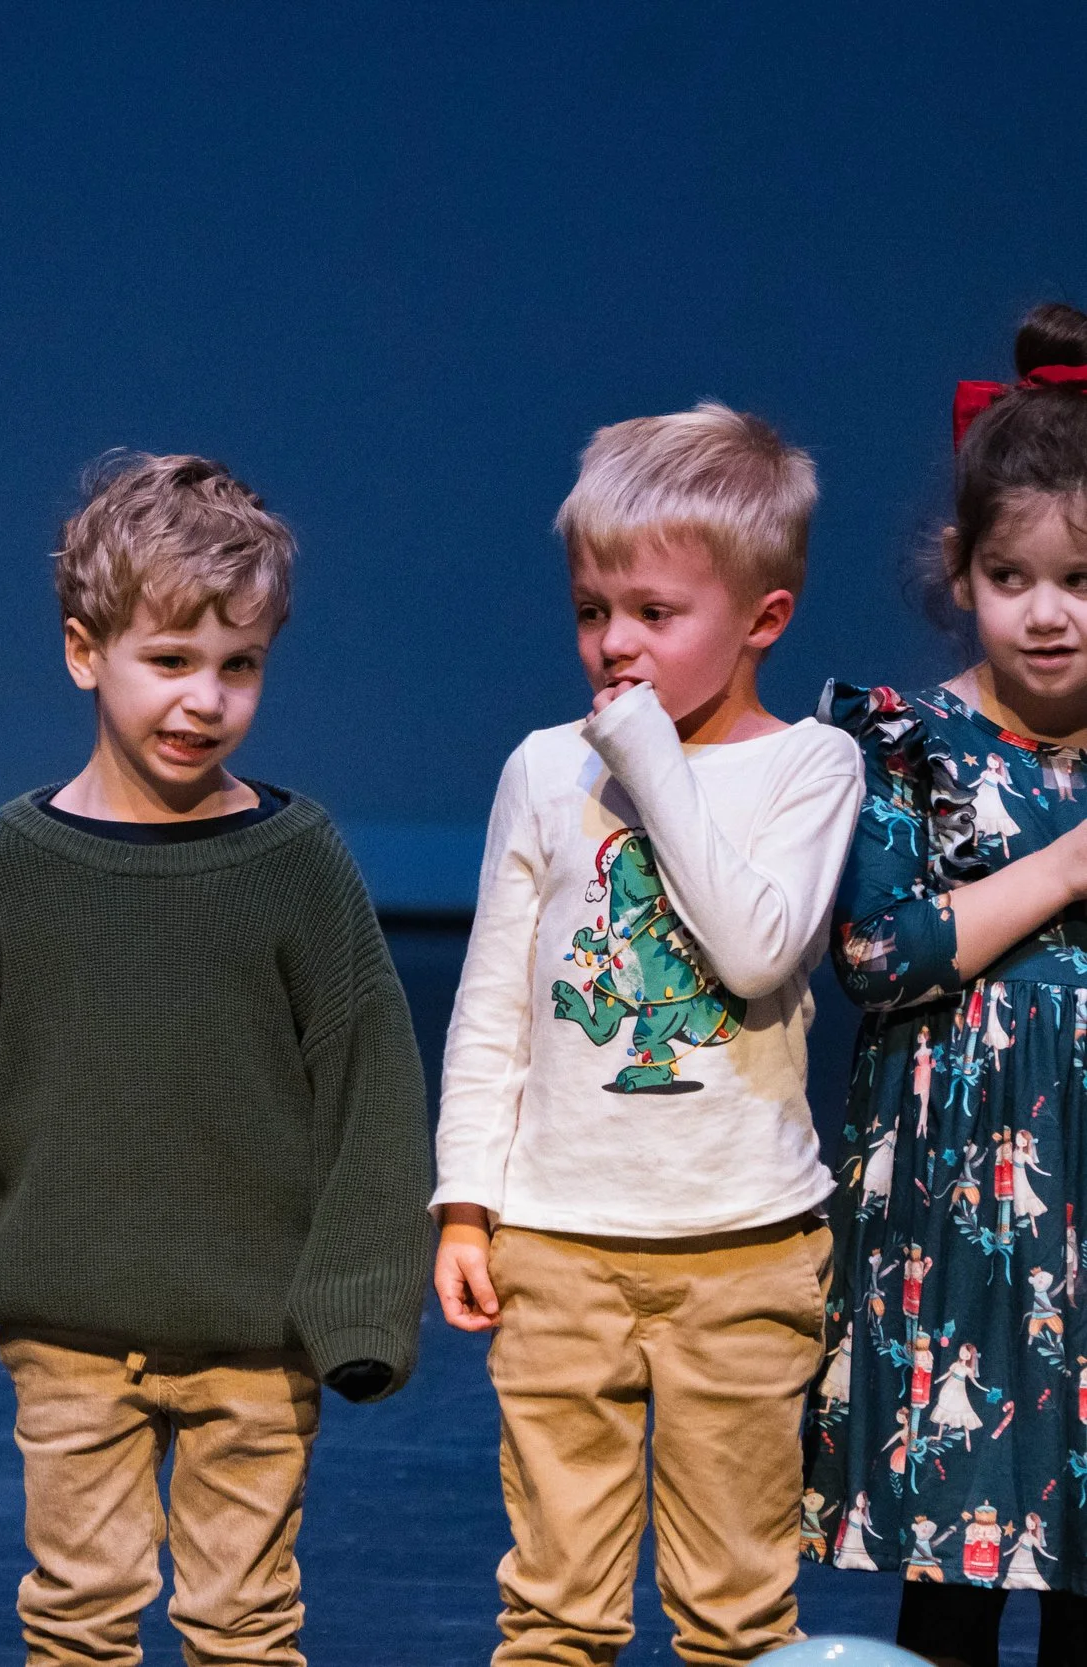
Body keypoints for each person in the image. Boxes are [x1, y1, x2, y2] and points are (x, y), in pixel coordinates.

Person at [0, 452, 432, 1666]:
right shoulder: (17, 862)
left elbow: (370, 1082)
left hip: (254, 1342)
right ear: (82, 650)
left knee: (242, 1621)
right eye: (169, 660)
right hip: (67, 1340)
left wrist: (360, 1306)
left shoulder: (296, 858)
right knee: (77, 1615)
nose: (204, 699)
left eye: (238, 665)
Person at [432, 402, 861, 1665]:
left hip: (744, 1248)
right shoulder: (541, 767)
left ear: (763, 620)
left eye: (654, 613)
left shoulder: (812, 766)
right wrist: (466, 1202)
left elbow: (753, 949)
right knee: (554, 1606)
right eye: (591, 609)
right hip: (559, 1244)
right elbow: (492, 1001)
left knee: (734, 1606)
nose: (613, 642)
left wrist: (645, 756)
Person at [808, 302, 1087, 1667]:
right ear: (959, 571)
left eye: (1082, 577)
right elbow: (877, 951)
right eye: (1010, 573)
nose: (1048, 610)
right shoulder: (907, 740)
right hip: (957, 1215)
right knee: (955, 1575)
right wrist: (1067, 865)